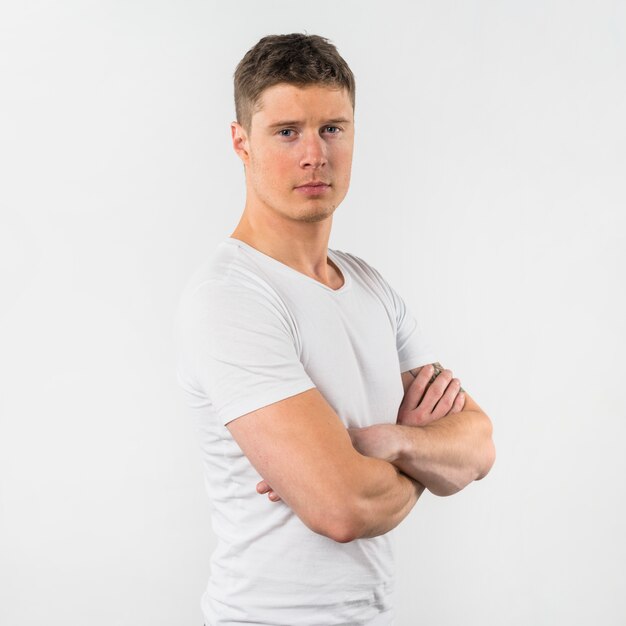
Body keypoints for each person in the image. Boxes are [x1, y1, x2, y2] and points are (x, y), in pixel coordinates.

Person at [175, 33, 495, 626]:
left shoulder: (371, 286)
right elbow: (343, 508)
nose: (314, 155)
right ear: (240, 142)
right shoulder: (233, 297)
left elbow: (477, 447)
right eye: (287, 131)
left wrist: (386, 442)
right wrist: (418, 457)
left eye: (333, 129)